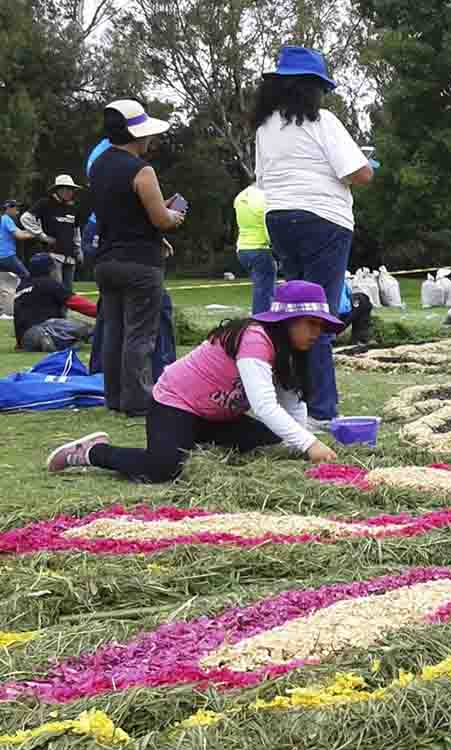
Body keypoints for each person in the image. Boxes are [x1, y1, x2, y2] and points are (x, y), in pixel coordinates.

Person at [46, 280, 340, 482]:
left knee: (275, 441)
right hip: (175, 404)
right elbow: (264, 406)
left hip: (215, 416)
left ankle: (193, 441)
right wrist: (310, 445)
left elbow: (291, 400)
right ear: (287, 322)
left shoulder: (289, 351)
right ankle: (91, 453)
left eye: (320, 325)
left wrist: (302, 443)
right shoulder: (255, 339)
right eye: (311, 323)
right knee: (162, 469)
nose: (317, 332)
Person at [254, 45, 373, 429]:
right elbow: (360, 173)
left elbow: (263, 178)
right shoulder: (323, 122)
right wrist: (369, 163)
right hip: (324, 220)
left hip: (279, 217)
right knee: (318, 316)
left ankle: (292, 401)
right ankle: (322, 410)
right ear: (313, 89)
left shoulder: (265, 127)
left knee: (294, 313)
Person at [89, 99, 185, 416]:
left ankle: (113, 397)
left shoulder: (98, 166)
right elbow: (160, 218)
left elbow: (121, 214)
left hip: (105, 261)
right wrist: (174, 216)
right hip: (140, 264)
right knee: (140, 334)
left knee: (113, 331)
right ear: (137, 134)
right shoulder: (141, 170)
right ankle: (137, 401)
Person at [13, 253, 98, 351]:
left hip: (24, 339)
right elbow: (78, 304)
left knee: (66, 323)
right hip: (44, 329)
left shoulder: (22, 286)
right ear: (49, 269)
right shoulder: (50, 284)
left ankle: (56, 342)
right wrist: (102, 312)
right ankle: (58, 341)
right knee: (88, 329)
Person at [21, 175, 83, 288]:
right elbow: (25, 218)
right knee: (56, 290)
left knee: (68, 293)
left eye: (72, 189)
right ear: (58, 189)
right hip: (53, 255)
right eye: (67, 189)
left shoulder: (73, 207)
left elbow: (76, 230)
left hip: (70, 256)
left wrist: (79, 249)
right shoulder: (45, 203)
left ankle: (65, 307)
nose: (71, 192)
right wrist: (42, 236)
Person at [233, 183, 277, 313]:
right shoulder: (263, 198)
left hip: (243, 249)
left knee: (262, 289)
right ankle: (261, 325)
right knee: (264, 293)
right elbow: (266, 226)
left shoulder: (240, 197)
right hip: (260, 249)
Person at [1, 200, 44, 282]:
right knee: (26, 275)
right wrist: (38, 234)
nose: (18, 209)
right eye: (15, 207)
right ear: (8, 208)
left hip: (3, 256)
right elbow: (20, 236)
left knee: (6, 280)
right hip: (7, 255)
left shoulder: (4, 219)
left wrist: (34, 230)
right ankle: (26, 293)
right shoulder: (7, 219)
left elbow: (20, 232)